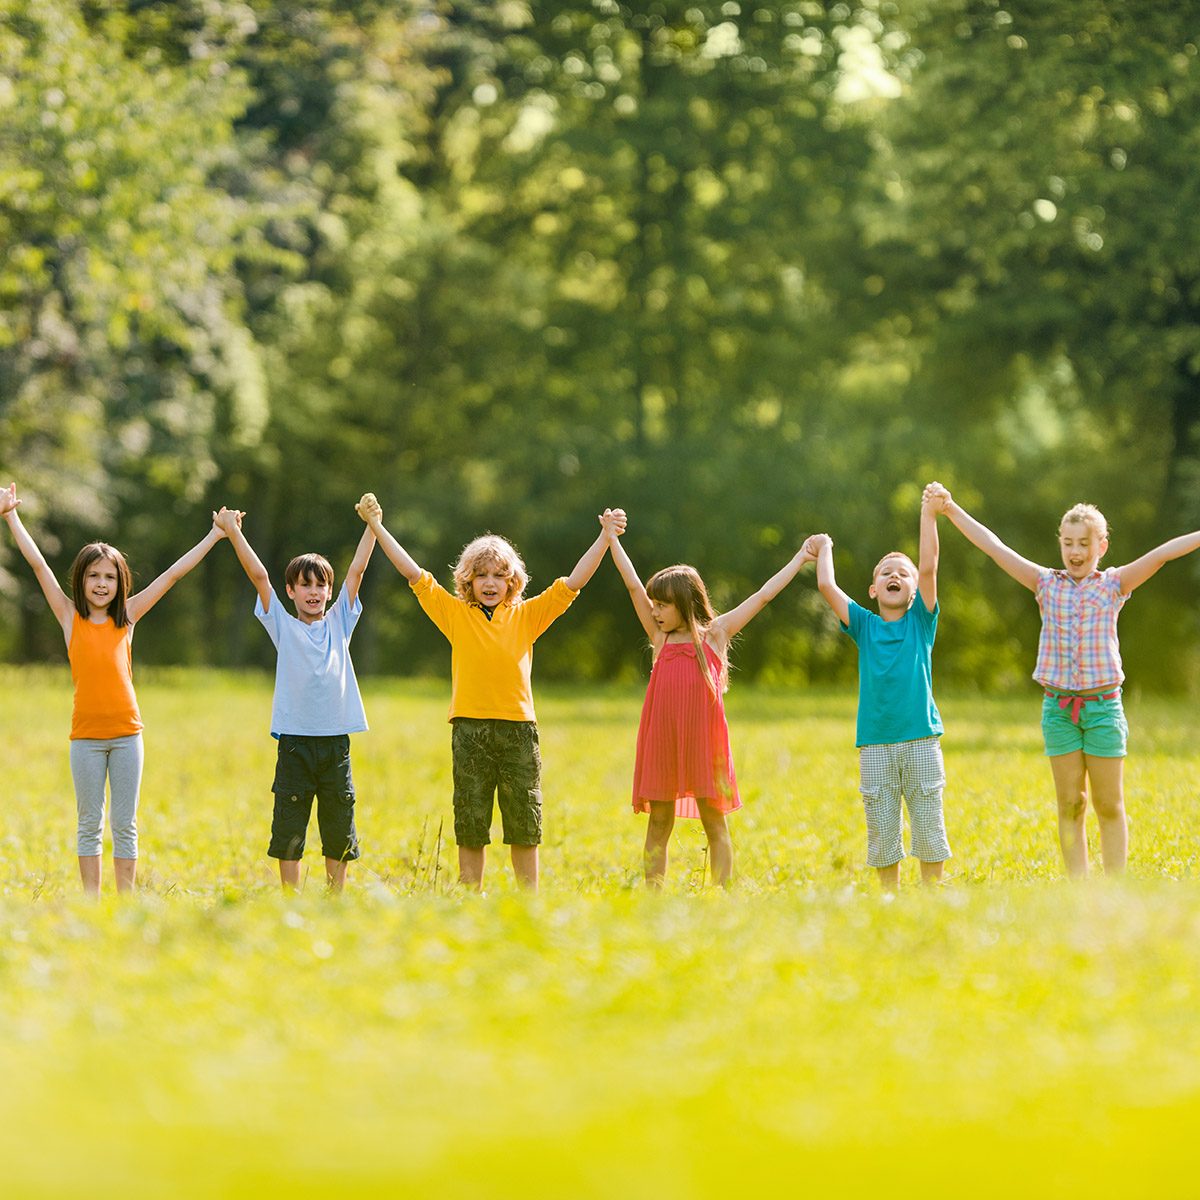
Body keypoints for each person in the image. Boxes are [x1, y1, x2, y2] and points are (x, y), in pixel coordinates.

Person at [925, 481, 1200, 877]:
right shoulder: (1045, 583)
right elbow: (994, 546)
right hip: (1059, 711)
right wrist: (950, 509)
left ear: (1101, 546)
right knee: (1071, 803)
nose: (1075, 552)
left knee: (1108, 803)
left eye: (1084, 544)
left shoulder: (1114, 584)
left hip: (1103, 709)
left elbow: (1161, 555)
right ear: (1060, 543)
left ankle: (1114, 886)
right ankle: (1078, 886)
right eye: (1068, 543)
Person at [356, 492, 623, 892]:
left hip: (518, 729)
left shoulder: (527, 614)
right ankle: (469, 896)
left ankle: (526, 899)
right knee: (470, 819)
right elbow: (414, 574)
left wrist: (604, 538)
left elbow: (574, 583)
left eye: (499, 575)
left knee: (524, 820)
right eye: (481, 576)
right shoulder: (454, 614)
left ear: (512, 580)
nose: (490, 583)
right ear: (468, 580)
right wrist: (376, 527)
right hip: (469, 730)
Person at [0, 481, 228, 896]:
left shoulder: (129, 617)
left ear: (120, 582)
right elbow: (38, 567)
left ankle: (124, 900)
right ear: (81, 581)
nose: (101, 583)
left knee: (125, 823)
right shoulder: (70, 617)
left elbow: (173, 575)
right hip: (85, 739)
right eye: (93, 576)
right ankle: (92, 899)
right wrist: (11, 515)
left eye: (109, 576)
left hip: (127, 737)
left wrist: (215, 534)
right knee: (89, 823)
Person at [606, 520, 817, 888]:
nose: (654, 611)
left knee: (713, 821)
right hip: (663, 741)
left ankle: (723, 894)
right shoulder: (659, 638)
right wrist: (611, 538)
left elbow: (764, 594)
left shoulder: (716, 635)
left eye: (663, 605)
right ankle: (653, 897)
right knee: (659, 821)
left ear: (685, 603)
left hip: (704, 745)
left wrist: (800, 558)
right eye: (653, 605)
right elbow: (631, 584)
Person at [217, 504, 377, 892]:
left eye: (320, 585)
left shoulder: (340, 621)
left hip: (336, 742)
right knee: (290, 818)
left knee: (339, 818)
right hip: (294, 743)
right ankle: (290, 895)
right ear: (290, 591)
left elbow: (356, 571)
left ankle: (334, 895)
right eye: (305, 585)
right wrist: (232, 531)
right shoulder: (282, 626)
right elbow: (258, 575)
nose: (314, 592)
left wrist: (373, 526)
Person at [811, 489, 949, 891]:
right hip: (875, 744)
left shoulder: (921, 622)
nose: (895, 576)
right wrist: (825, 546)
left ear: (914, 589)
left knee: (927, 817)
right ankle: (888, 896)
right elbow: (826, 584)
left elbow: (929, 567)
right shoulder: (865, 626)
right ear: (873, 591)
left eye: (902, 573)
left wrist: (928, 514)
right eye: (886, 572)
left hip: (921, 739)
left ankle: (931, 893)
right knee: (882, 821)